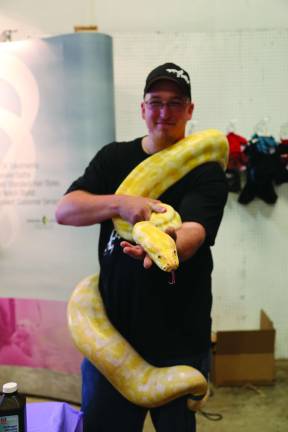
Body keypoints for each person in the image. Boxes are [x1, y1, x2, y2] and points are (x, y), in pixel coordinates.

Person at [55, 62, 228, 432]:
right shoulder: (113, 158)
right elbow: (65, 210)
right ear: (142, 107)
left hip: (180, 342)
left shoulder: (207, 167)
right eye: (156, 101)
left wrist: (168, 246)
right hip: (114, 338)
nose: (164, 112)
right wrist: (120, 204)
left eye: (175, 103)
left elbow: (194, 232)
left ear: (190, 110)